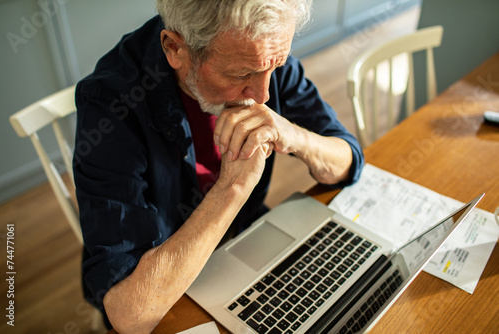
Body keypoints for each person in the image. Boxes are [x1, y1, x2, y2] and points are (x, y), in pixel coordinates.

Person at [73, 0, 364, 332]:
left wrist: (292, 134)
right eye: (241, 74)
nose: (263, 95)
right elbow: (130, 314)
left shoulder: (261, 51)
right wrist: (232, 189)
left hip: (243, 238)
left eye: (276, 66)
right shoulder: (110, 104)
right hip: (164, 276)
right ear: (174, 48)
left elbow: (349, 161)